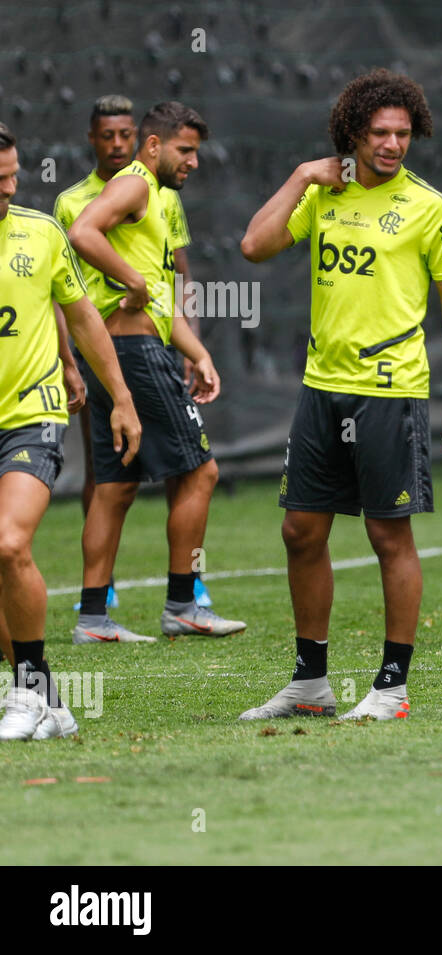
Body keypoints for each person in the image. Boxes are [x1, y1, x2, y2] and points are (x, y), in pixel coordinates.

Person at [238, 69, 442, 720]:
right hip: (322, 389)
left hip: (391, 391)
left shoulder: (428, 206)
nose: (394, 144)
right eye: (380, 132)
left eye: (404, 133)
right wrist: (301, 176)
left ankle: (392, 687)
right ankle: (309, 683)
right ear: (353, 132)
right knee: (300, 530)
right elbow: (254, 245)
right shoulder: (324, 192)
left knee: (387, 535)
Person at [68, 100, 240, 644]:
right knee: (200, 473)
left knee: (115, 486)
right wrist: (132, 282)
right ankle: (184, 603)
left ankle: (93, 619)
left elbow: (159, 299)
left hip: (115, 353)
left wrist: (197, 351)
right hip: (136, 356)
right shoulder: (137, 184)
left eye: (196, 151)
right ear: (153, 145)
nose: (192, 161)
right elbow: (82, 231)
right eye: (185, 150)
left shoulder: (159, 199)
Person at [0, 121, 141, 738]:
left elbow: (81, 317)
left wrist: (121, 397)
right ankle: (46, 699)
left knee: (7, 543)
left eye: (12, 176)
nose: (8, 189)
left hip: (32, 413)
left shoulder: (41, 232)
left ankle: (26, 695)